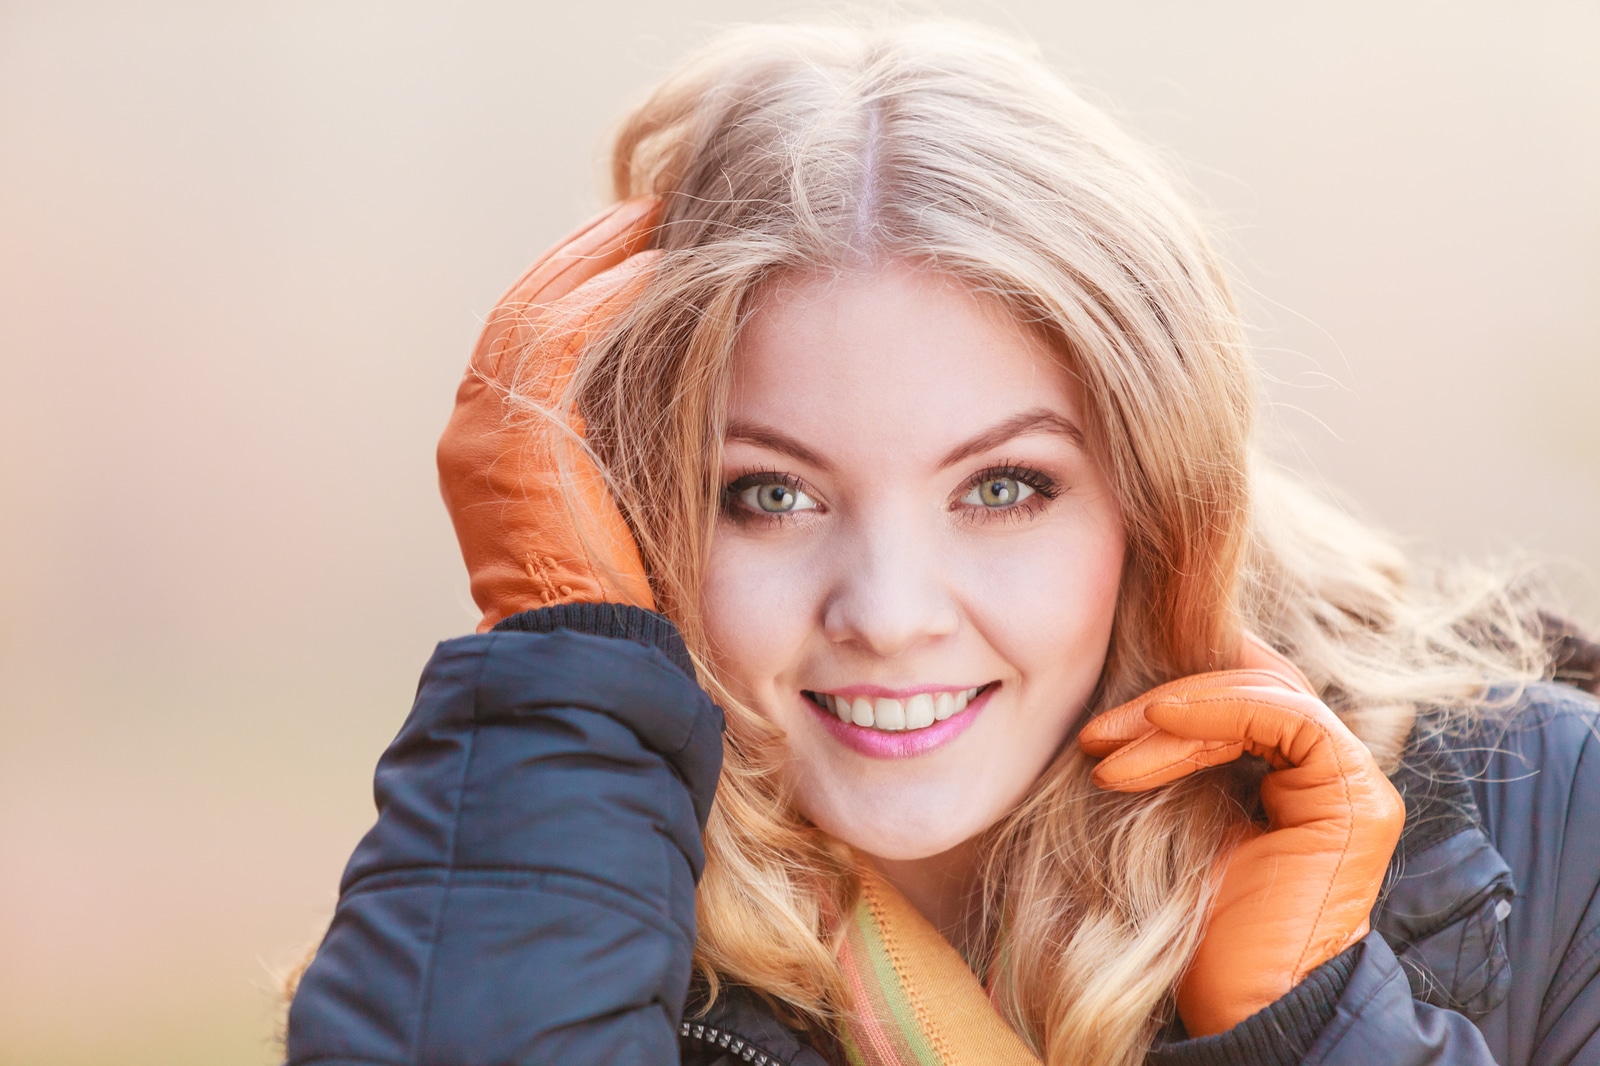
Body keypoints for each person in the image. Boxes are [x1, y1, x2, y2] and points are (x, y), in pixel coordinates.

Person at [282, 21, 1600, 1066]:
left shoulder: (1545, 822)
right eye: (770, 494)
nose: (891, 609)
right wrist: (554, 673)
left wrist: (1314, 1025)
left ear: (1161, 497)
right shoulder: (567, 872)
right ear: (636, 512)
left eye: (1008, 486)